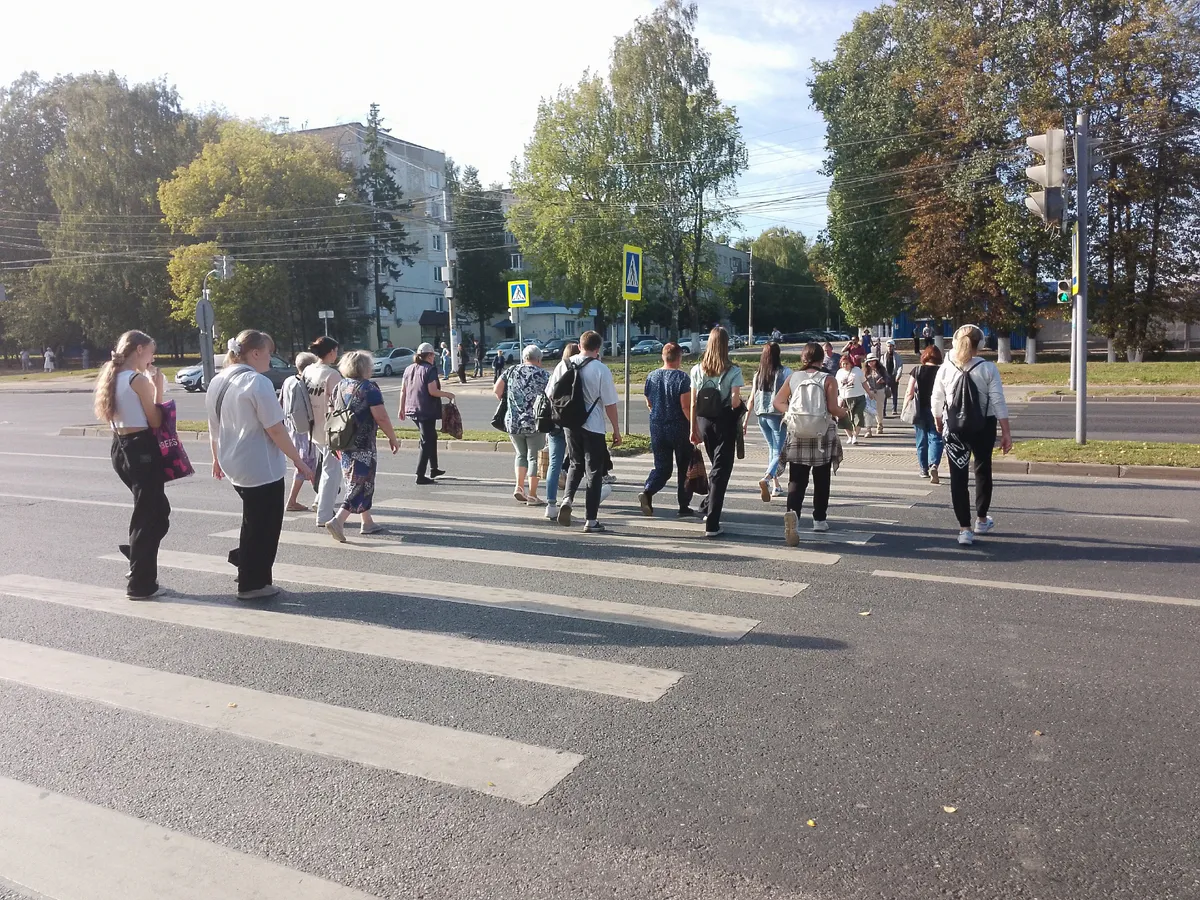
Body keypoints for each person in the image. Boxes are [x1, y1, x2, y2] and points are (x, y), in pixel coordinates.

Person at [207, 330, 313, 600]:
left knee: (253, 521)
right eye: (268, 352)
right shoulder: (257, 382)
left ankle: (247, 566)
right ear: (255, 353)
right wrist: (298, 460)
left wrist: (216, 458)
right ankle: (253, 583)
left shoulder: (218, 380)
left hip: (233, 462)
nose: (270, 358)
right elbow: (275, 429)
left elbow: (214, 429)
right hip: (259, 465)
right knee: (264, 526)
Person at [94, 330, 170, 600]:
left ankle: (137, 559)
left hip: (121, 447)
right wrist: (158, 387)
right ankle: (141, 583)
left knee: (156, 511)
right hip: (141, 448)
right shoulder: (138, 380)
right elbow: (156, 420)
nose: (152, 358)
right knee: (149, 516)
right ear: (139, 350)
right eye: (151, 352)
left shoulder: (112, 375)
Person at [932, 324, 1012, 546]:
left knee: (958, 476)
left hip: (954, 428)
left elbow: (936, 399)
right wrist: (1006, 432)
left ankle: (964, 529)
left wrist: (939, 421)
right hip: (984, 426)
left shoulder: (946, 368)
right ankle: (982, 520)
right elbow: (998, 401)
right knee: (983, 470)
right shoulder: (988, 368)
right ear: (981, 344)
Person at [772, 342, 848, 543]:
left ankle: (793, 515)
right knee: (822, 479)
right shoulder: (828, 379)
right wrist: (843, 413)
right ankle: (819, 520)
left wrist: (792, 412)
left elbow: (777, 402)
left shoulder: (793, 377)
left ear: (803, 358)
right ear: (822, 359)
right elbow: (832, 408)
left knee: (797, 480)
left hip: (798, 433)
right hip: (822, 435)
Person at [324, 350, 400, 542]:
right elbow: (381, 416)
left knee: (359, 482)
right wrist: (392, 437)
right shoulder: (369, 388)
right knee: (360, 483)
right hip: (363, 444)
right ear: (365, 367)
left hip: (343, 442)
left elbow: (332, 412)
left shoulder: (340, 385)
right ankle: (338, 520)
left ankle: (367, 522)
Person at [550, 330, 620, 532]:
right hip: (594, 426)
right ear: (598, 349)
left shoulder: (563, 364)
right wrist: (616, 430)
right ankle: (591, 520)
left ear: (580, 346)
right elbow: (610, 404)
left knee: (575, 463)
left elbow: (550, 394)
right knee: (594, 471)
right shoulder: (601, 369)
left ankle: (567, 499)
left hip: (570, 425)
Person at [689, 326, 744, 537]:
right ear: (726, 345)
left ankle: (706, 506)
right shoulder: (733, 370)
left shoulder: (697, 369)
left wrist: (692, 428)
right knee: (721, 471)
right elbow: (735, 401)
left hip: (704, 421)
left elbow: (693, 402)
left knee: (715, 467)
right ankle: (712, 523)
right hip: (724, 422)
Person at [637, 342, 694, 518]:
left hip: (657, 427)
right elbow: (685, 406)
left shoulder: (651, 376)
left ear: (663, 356)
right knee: (684, 467)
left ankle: (648, 490)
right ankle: (683, 506)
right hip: (679, 427)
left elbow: (649, 402)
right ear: (679, 357)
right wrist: (695, 426)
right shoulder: (682, 378)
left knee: (662, 467)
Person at [495, 343, 551, 504]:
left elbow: (497, 390)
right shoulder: (544, 374)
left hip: (513, 421)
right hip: (535, 423)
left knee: (520, 455)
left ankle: (519, 487)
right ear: (539, 359)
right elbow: (551, 396)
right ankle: (532, 495)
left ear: (524, 357)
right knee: (534, 458)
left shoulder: (511, 371)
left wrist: (511, 403)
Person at [301, 336, 344, 528]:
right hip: (330, 429)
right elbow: (341, 404)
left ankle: (319, 502)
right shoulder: (332, 375)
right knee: (331, 472)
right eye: (336, 351)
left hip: (313, 426)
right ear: (331, 352)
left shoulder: (309, 370)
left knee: (327, 467)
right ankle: (324, 515)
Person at [399, 342, 455, 485]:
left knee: (431, 436)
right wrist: (448, 394)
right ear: (429, 355)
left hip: (412, 408)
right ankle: (420, 475)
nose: (434, 358)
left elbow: (403, 390)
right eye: (432, 355)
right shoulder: (429, 369)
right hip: (425, 409)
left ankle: (434, 468)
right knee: (426, 440)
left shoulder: (409, 369)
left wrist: (401, 408)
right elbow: (432, 391)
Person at [748, 341, 791, 502]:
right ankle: (766, 478)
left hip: (761, 416)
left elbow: (751, 398)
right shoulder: (785, 372)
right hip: (777, 416)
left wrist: (745, 421)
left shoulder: (758, 374)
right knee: (779, 452)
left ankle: (776, 486)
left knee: (773, 450)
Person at [541, 341, 579, 518]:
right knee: (577, 462)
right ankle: (568, 499)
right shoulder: (583, 367)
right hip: (576, 423)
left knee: (554, 464)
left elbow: (548, 393)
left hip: (556, 422)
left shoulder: (559, 367)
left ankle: (550, 504)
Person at [280, 352, 319, 512]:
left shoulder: (288, 380)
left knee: (309, 463)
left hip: (291, 426)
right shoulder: (304, 384)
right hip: (304, 428)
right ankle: (292, 500)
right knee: (305, 463)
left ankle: (322, 496)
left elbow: (280, 402)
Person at [905, 344, 946, 482]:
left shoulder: (917, 370)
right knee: (936, 437)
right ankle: (934, 464)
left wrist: (905, 406)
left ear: (924, 356)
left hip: (919, 409)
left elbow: (910, 391)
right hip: (937, 409)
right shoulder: (942, 371)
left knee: (921, 439)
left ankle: (923, 469)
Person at [835, 353, 868, 445]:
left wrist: (869, 393)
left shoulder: (857, 370)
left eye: (847, 363)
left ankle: (855, 436)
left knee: (858, 417)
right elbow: (836, 386)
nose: (845, 365)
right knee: (844, 418)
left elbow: (864, 382)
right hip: (844, 398)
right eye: (843, 364)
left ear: (851, 363)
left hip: (858, 397)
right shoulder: (839, 372)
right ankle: (849, 436)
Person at [863, 355, 888, 436]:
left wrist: (883, 380)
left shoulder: (881, 369)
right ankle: (868, 429)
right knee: (868, 410)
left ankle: (879, 424)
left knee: (879, 409)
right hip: (869, 391)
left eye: (873, 361)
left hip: (879, 390)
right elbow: (862, 381)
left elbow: (887, 378)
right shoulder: (865, 370)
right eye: (869, 361)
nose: (871, 363)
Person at [881, 339, 904, 416]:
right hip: (886, 377)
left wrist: (898, 376)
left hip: (894, 377)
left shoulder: (897, 356)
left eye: (891, 346)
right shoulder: (883, 357)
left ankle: (894, 409)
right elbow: (881, 367)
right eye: (888, 346)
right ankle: (883, 411)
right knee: (884, 394)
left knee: (895, 393)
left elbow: (900, 366)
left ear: (893, 347)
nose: (889, 348)